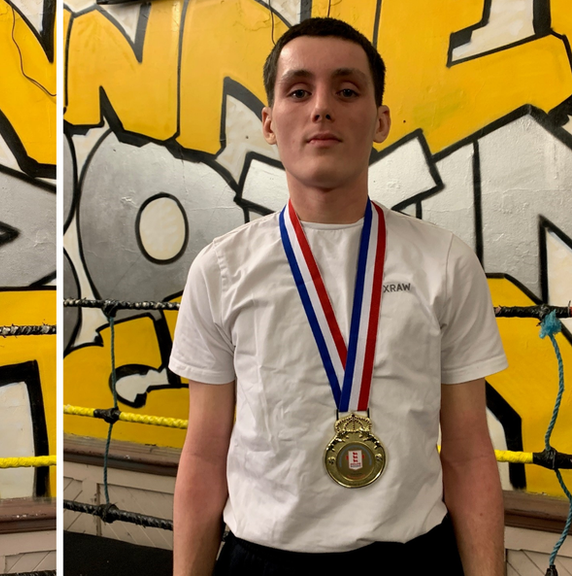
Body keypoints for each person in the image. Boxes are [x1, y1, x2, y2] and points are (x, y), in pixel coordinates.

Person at [169, 18, 507, 576]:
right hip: (261, 561)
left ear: (380, 120)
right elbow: (203, 455)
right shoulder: (221, 269)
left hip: (412, 558)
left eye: (346, 90)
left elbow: (470, 452)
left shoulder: (444, 263)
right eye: (298, 91)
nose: (321, 107)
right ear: (270, 121)